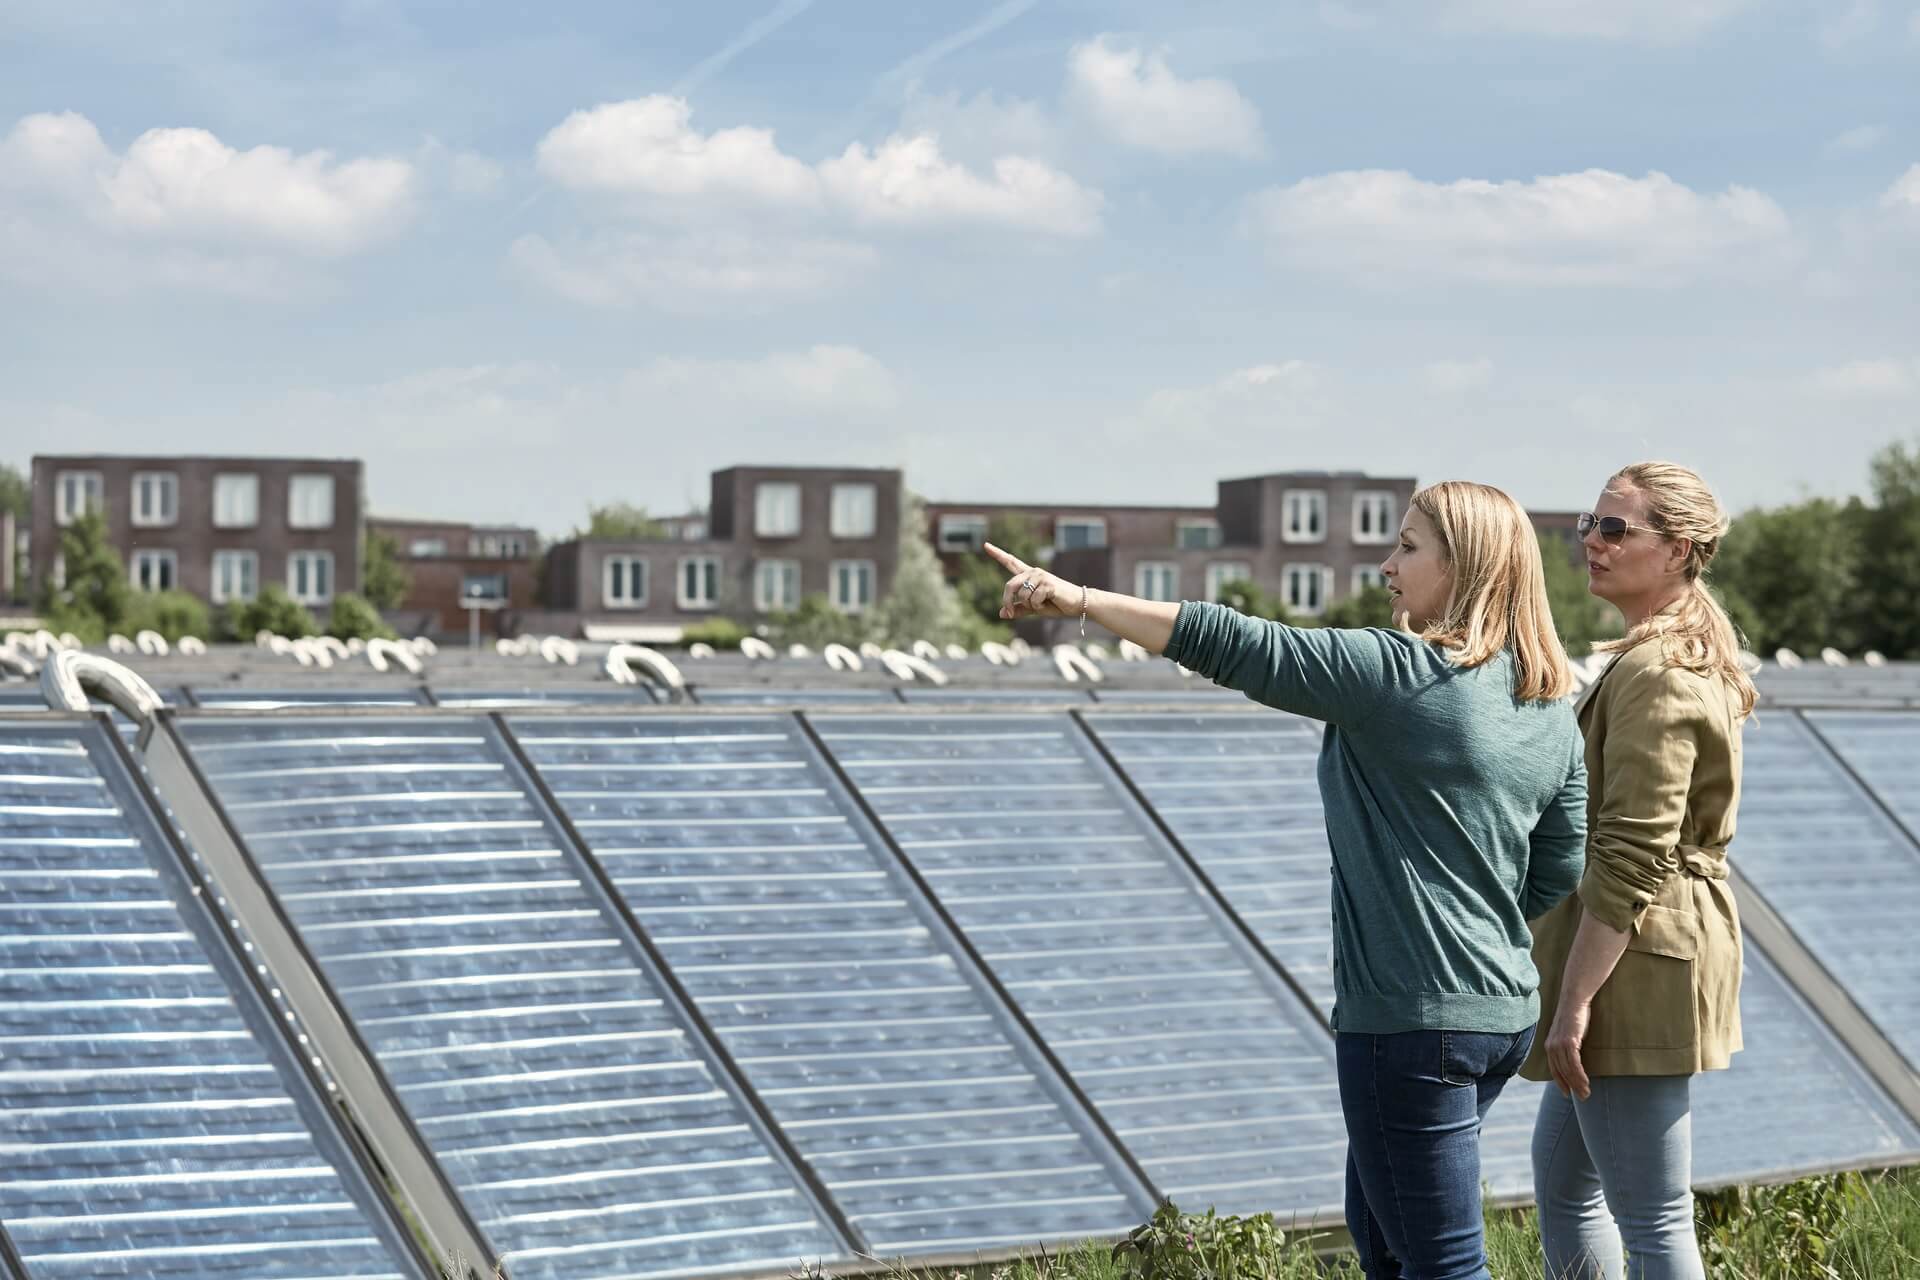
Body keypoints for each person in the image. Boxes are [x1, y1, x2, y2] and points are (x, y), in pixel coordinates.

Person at [987, 480, 1588, 1280]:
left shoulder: (1394, 674)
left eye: (1408, 547)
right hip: (1500, 1014)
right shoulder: (1547, 704)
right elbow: (1560, 864)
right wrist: (1471, 917)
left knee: (1442, 1264)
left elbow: (1230, 642)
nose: (1386, 565)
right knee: (1383, 1237)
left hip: (1413, 1024)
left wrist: (1079, 598)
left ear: (1467, 565)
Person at [1524, 462, 1754, 1280]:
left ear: (1678, 549)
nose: (1591, 540)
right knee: (1563, 1185)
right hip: (1640, 948)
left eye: (1616, 529)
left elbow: (1633, 850)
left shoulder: (1659, 671)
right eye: (1591, 522)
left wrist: (1573, 1004)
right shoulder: (1664, 655)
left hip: (1635, 957)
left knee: (1654, 1218)